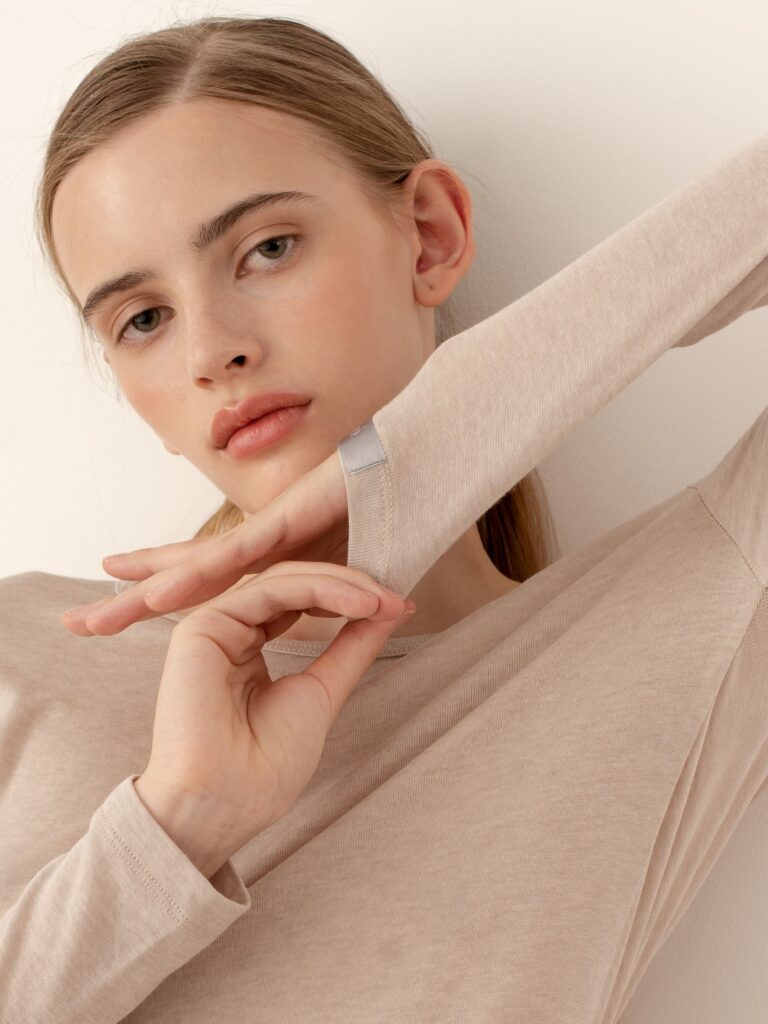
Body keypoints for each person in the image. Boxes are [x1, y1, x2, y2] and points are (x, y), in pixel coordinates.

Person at [1, 14, 767, 1024]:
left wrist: (417, 454)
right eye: (142, 318)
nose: (211, 350)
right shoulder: (23, 651)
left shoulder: (692, 621)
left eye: (267, 248)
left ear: (432, 236)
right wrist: (176, 825)